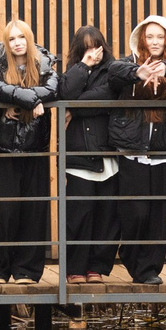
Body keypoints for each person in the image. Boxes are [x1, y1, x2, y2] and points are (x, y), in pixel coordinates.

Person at [104, 16, 166, 284]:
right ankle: (132, 255)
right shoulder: (128, 64)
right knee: (136, 211)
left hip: (164, 149)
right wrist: (138, 73)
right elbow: (112, 73)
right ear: (141, 39)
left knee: (159, 214)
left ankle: (149, 270)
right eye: (150, 36)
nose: (155, 41)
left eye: (160, 37)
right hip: (132, 149)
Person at [0, 21, 58, 283]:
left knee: (34, 210)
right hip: (4, 145)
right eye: (11, 38)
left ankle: (28, 270)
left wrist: (30, 99)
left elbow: (52, 88)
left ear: (29, 38)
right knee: (7, 211)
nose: (16, 43)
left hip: (36, 145)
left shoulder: (44, 61)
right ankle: (2, 268)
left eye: (21, 37)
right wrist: (27, 100)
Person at [57, 26, 119, 283]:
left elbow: (107, 96)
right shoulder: (72, 71)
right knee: (79, 215)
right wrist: (83, 66)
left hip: (107, 154)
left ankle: (97, 268)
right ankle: (75, 268)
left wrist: (76, 108)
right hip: (79, 156)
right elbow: (66, 94)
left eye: (97, 46)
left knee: (107, 216)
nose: (93, 52)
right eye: (86, 48)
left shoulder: (114, 70)